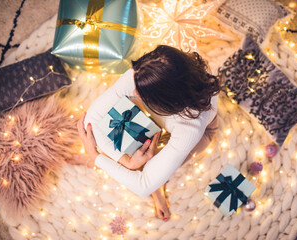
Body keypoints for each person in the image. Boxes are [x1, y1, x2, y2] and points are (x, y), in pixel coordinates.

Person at [71, 45, 220, 221]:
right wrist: (126, 162)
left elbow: (143, 186)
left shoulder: (191, 128)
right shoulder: (150, 71)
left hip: (197, 134)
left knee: (148, 163)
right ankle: (153, 173)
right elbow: (91, 122)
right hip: (158, 116)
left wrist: (95, 156)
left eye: (142, 94)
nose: (134, 92)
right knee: (124, 142)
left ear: (166, 102)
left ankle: (159, 184)